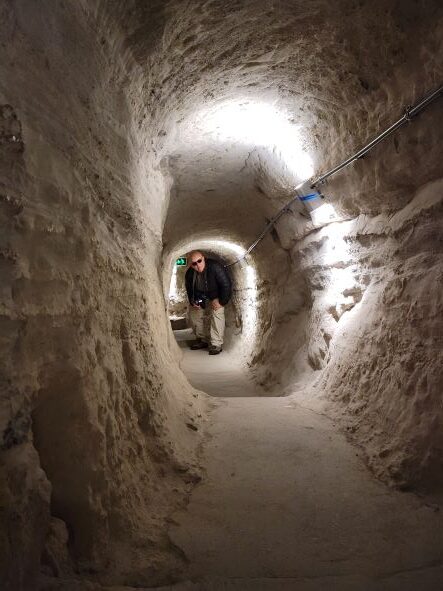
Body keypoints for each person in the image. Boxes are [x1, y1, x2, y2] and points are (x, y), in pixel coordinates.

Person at [185, 250, 232, 355]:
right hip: (201, 296)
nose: (197, 264)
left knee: (217, 312)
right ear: (191, 265)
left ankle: (216, 344)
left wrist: (221, 302)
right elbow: (189, 289)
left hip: (215, 295)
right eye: (194, 263)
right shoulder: (189, 273)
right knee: (195, 313)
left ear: (203, 258)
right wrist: (192, 301)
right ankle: (202, 340)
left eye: (199, 261)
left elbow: (226, 285)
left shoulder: (215, 267)